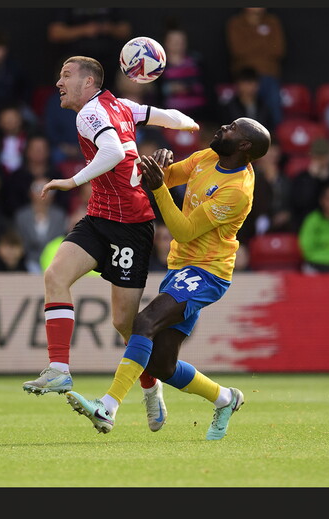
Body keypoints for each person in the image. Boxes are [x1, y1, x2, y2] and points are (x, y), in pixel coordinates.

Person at [22, 55, 200, 433]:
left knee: (125, 325)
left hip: (132, 226)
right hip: (99, 218)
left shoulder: (88, 113)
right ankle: (58, 369)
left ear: (89, 82)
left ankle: (152, 391)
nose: (58, 82)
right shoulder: (124, 107)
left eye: (66, 75)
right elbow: (167, 116)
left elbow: (114, 152)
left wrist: (69, 182)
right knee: (55, 275)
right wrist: (189, 124)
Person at [64, 117, 271, 440]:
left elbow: (183, 230)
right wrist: (157, 167)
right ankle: (225, 398)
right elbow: (167, 177)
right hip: (182, 266)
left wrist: (159, 186)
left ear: (244, 146)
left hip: (208, 272)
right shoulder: (208, 157)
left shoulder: (237, 192)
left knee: (143, 322)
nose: (222, 127)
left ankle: (107, 407)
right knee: (162, 365)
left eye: (231, 128)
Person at [225, 8, 286, 127]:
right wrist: (263, 42)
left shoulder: (272, 22)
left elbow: (279, 50)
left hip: (269, 76)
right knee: (237, 118)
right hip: (244, 75)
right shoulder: (236, 23)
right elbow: (237, 50)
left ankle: (273, 139)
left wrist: (251, 41)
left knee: (274, 112)